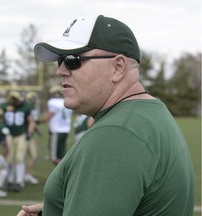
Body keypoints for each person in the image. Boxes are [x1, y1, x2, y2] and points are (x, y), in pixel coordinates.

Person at [17, 14, 194, 216]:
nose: (61, 71)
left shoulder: (116, 133)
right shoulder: (148, 113)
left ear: (118, 67)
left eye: (73, 60)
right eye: (60, 61)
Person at [0, 91, 36, 192]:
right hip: (9, 134)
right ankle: (10, 180)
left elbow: (31, 122)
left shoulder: (26, 107)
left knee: (19, 158)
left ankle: (19, 181)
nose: (20, 101)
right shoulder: (3, 106)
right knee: (9, 158)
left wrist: (29, 132)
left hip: (21, 134)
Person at [37, 85, 73, 165]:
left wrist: (37, 121)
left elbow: (47, 117)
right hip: (65, 131)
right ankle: (64, 174)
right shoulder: (66, 101)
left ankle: (64, 174)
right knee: (61, 156)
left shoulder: (53, 102)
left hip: (57, 131)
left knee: (54, 158)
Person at [24, 91, 40, 184]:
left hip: (28, 135)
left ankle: (24, 175)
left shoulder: (28, 108)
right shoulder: (29, 108)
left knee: (29, 156)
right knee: (32, 156)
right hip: (26, 136)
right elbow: (32, 121)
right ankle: (25, 175)